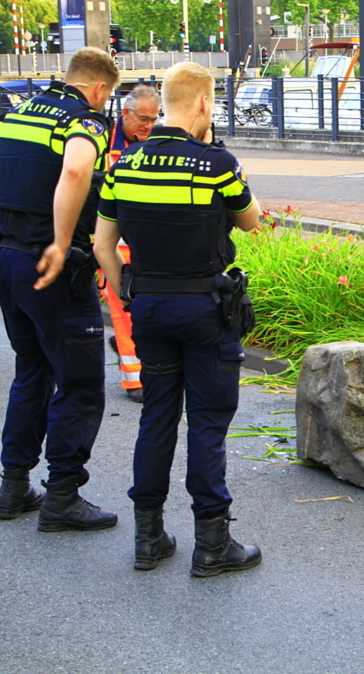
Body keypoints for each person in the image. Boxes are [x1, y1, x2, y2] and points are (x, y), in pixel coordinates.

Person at [94, 61, 262, 577]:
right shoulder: (218, 164)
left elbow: (103, 244)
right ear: (206, 105)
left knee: (157, 417)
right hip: (206, 312)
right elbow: (252, 222)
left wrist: (131, 293)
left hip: (149, 307)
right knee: (207, 425)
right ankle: (212, 544)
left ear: (163, 103)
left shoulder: (124, 166)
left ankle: (149, 538)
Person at [0, 47, 120, 533]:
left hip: (7, 260)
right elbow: (76, 171)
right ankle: (63, 497)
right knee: (78, 381)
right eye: (108, 95)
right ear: (99, 89)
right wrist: (56, 241)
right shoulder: (85, 120)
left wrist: (2, 224)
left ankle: (14, 487)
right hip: (52, 269)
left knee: (31, 371)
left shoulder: (18, 113)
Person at [102, 86, 161, 402]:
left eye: (153, 119)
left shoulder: (154, 145)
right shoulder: (100, 144)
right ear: (125, 113)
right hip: (112, 246)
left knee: (135, 312)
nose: (148, 126)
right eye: (142, 119)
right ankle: (134, 380)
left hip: (143, 246)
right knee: (124, 311)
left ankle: (138, 366)